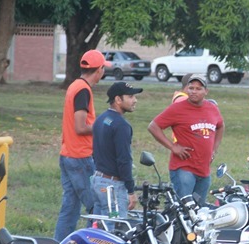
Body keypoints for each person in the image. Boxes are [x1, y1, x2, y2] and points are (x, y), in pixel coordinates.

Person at [54, 49, 111, 241]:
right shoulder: (83, 90)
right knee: (95, 206)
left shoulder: (75, 85)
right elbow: (80, 127)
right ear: (99, 70)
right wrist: (102, 125)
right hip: (80, 157)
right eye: (104, 68)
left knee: (70, 206)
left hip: (68, 154)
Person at [148, 74, 224, 206]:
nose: (194, 91)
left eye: (198, 88)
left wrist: (214, 149)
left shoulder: (212, 109)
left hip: (204, 170)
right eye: (191, 88)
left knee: (199, 208)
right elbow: (153, 126)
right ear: (186, 90)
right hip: (184, 168)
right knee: (184, 209)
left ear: (206, 91)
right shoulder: (177, 108)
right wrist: (173, 147)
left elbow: (220, 126)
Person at [92, 82, 142, 219]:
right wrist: (131, 191)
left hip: (98, 181)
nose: (135, 100)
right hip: (113, 187)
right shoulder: (121, 125)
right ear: (118, 100)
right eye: (130, 97)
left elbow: (94, 152)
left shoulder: (101, 119)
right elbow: (124, 159)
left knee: (97, 229)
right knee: (115, 230)